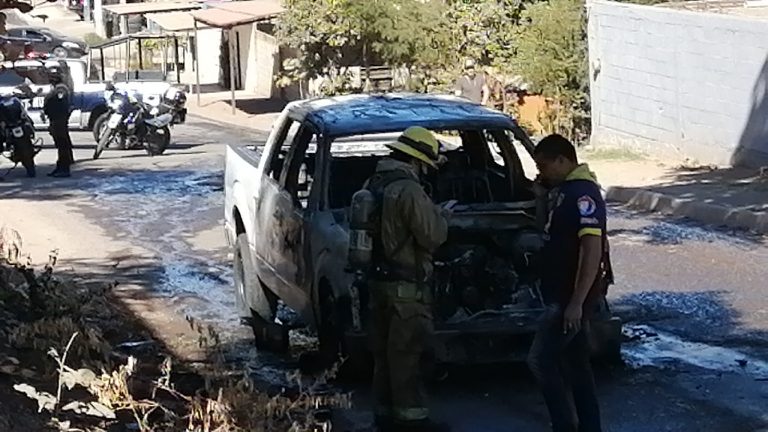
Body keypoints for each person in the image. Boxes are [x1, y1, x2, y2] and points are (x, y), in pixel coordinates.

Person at [365, 126, 451, 432]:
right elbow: (433, 236)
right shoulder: (410, 191)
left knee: (383, 357)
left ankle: (384, 417)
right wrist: (442, 216)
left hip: (377, 285)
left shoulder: (374, 183)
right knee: (407, 357)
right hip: (406, 292)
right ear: (416, 161)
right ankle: (412, 422)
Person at [528, 134, 610, 432]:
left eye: (544, 165)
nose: (541, 172)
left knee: (540, 360)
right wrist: (541, 198)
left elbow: (592, 250)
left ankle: (564, 425)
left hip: (568, 297)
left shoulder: (584, 194)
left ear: (562, 160)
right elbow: (547, 230)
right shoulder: (562, 191)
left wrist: (576, 302)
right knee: (577, 366)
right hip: (560, 293)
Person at [42, 62, 74, 178]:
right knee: (60, 144)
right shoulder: (56, 88)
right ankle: (60, 166)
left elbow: (61, 105)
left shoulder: (61, 89)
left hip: (59, 120)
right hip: (55, 119)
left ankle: (64, 168)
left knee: (62, 144)